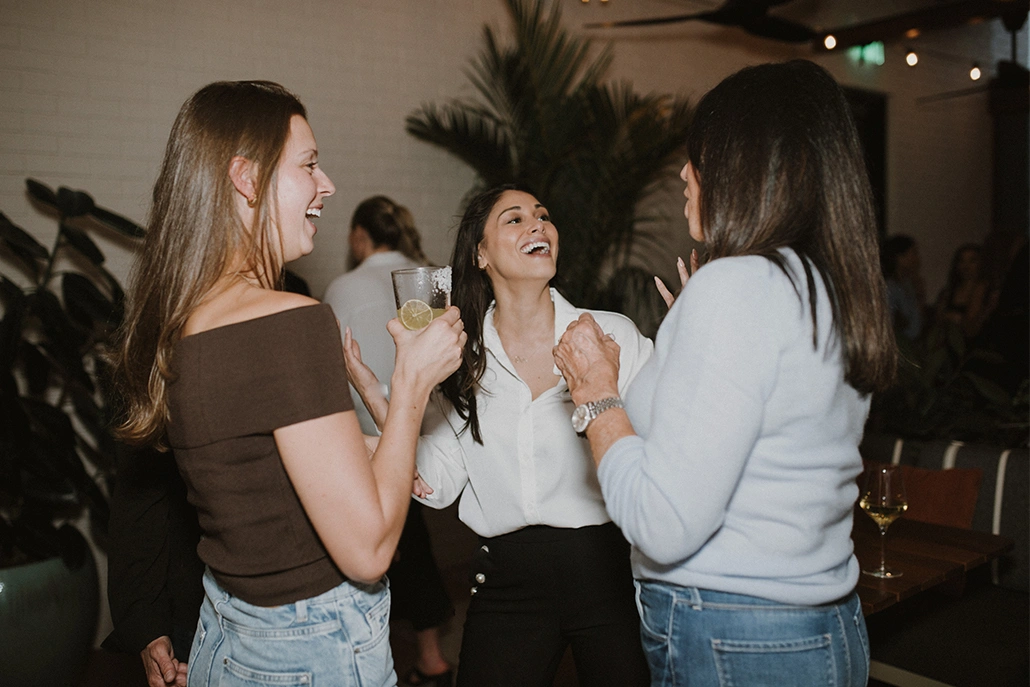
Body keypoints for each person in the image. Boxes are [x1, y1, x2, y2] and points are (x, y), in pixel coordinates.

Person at [110, 80, 466, 687]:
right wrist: (411, 380)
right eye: (308, 164)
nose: (327, 184)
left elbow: (261, 471)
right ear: (246, 178)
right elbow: (369, 551)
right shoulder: (289, 322)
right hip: (312, 646)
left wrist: (379, 440)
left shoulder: (180, 322)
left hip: (227, 630)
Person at [553, 60, 898, 687]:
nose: (684, 173)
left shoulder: (737, 287)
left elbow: (662, 523)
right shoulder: (823, 286)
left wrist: (596, 392)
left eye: (700, 155)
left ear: (748, 164)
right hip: (822, 623)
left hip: (737, 633)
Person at [345, 185, 653, 687]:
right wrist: (383, 398)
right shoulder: (460, 360)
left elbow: (663, 448)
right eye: (514, 219)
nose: (537, 225)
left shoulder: (610, 336)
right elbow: (436, 483)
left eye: (543, 215)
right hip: (507, 583)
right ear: (480, 254)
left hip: (606, 572)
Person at [323, 196, 455, 687]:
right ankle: (427, 653)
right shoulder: (431, 279)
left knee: (393, 541)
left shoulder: (343, 286)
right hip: (432, 423)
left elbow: (333, 365)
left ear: (360, 236)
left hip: (370, 431)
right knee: (407, 534)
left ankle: (407, 657)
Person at [934, 243, 994, 339]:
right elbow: (937, 321)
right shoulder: (948, 292)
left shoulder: (987, 291)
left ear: (981, 263)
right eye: (962, 261)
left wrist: (957, 319)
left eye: (972, 261)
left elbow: (973, 329)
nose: (966, 266)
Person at [882, 234, 927, 340]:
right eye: (913, 253)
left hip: (914, 341)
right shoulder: (890, 287)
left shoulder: (908, 284)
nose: (917, 258)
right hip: (900, 342)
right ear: (899, 257)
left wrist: (920, 294)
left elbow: (918, 319)